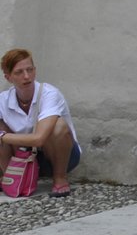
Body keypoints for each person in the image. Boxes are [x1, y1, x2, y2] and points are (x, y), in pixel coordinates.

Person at [0, 49, 80, 197]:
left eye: (30, 70)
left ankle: (60, 178)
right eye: (19, 72)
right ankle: (11, 177)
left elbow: (39, 138)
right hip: (24, 157)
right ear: (8, 77)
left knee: (59, 125)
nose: (26, 76)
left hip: (58, 157)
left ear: (35, 70)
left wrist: (2, 137)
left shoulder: (49, 93)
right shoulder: (3, 100)